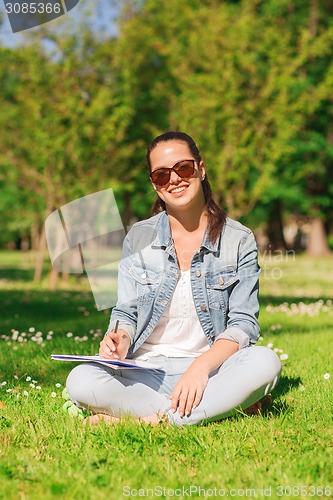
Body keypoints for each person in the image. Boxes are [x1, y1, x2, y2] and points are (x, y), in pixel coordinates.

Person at [66, 131, 282, 426]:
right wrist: (120, 339)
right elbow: (126, 312)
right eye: (161, 175)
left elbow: (244, 324)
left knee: (265, 362)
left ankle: (149, 420)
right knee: (81, 379)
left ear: (201, 169)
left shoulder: (238, 240)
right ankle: (214, 408)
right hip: (145, 373)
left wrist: (200, 368)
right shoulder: (139, 237)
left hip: (211, 372)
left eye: (183, 168)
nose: (175, 179)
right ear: (155, 185)